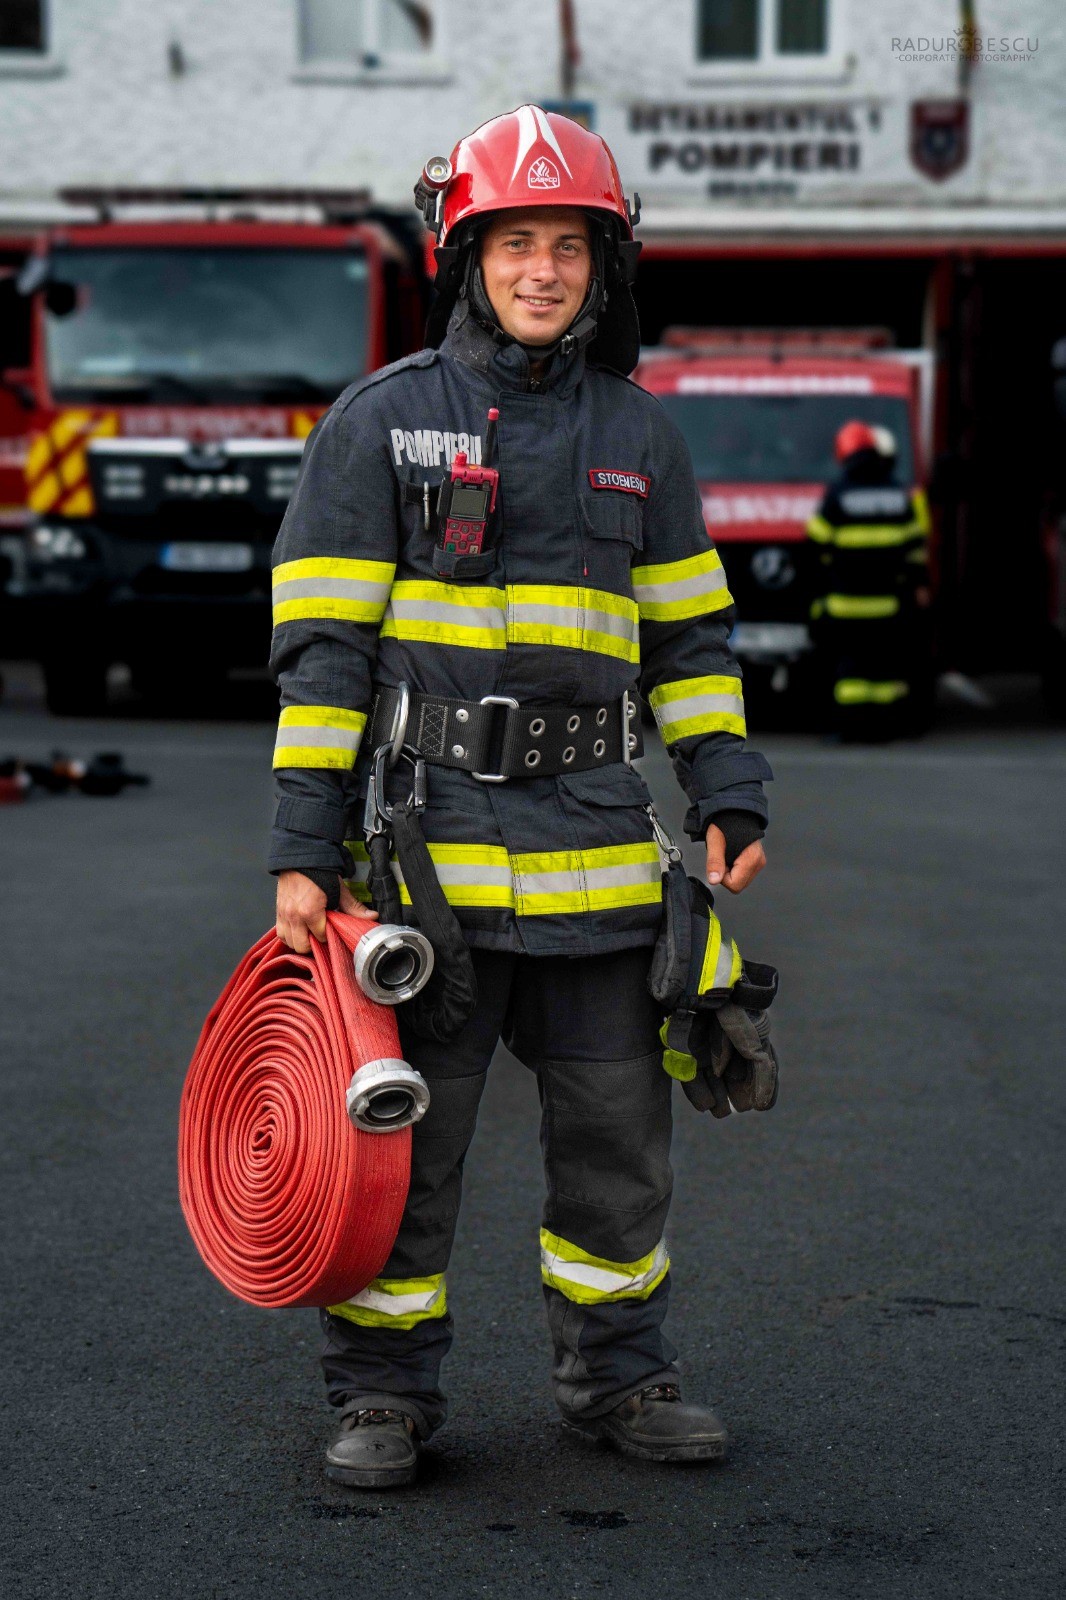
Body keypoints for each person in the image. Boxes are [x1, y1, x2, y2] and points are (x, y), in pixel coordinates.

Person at [269, 106, 772, 1490]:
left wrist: (727, 786)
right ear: (464, 256)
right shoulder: (380, 423)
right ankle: (382, 1395)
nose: (541, 270)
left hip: (600, 858)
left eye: (567, 246)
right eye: (514, 244)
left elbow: (690, 643)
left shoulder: (640, 437)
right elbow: (323, 656)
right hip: (425, 863)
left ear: (604, 268)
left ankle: (619, 1379)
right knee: (402, 1154)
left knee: (617, 1151)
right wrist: (303, 846)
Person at [807, 421, 932, 740]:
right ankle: (884, 727)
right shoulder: (897, 494)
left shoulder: (839, 494)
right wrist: (918, 585)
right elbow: (915, 549)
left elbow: (816, 544)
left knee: (850, 670)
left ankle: (851, 728)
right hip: (888, 604)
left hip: (846, 605)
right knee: (884, 668)